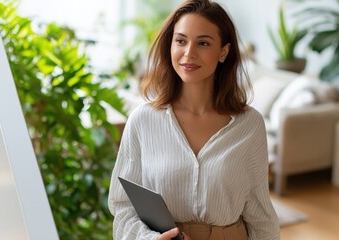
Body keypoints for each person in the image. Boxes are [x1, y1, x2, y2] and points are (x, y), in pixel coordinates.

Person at [108, 0, 280, 239]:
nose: (189, 53)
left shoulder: (250, 125)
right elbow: (123, 207)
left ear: (224, 52)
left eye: (203, 43)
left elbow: (261, 215)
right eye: (181, 41)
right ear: (170, 46)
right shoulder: (142, 121)